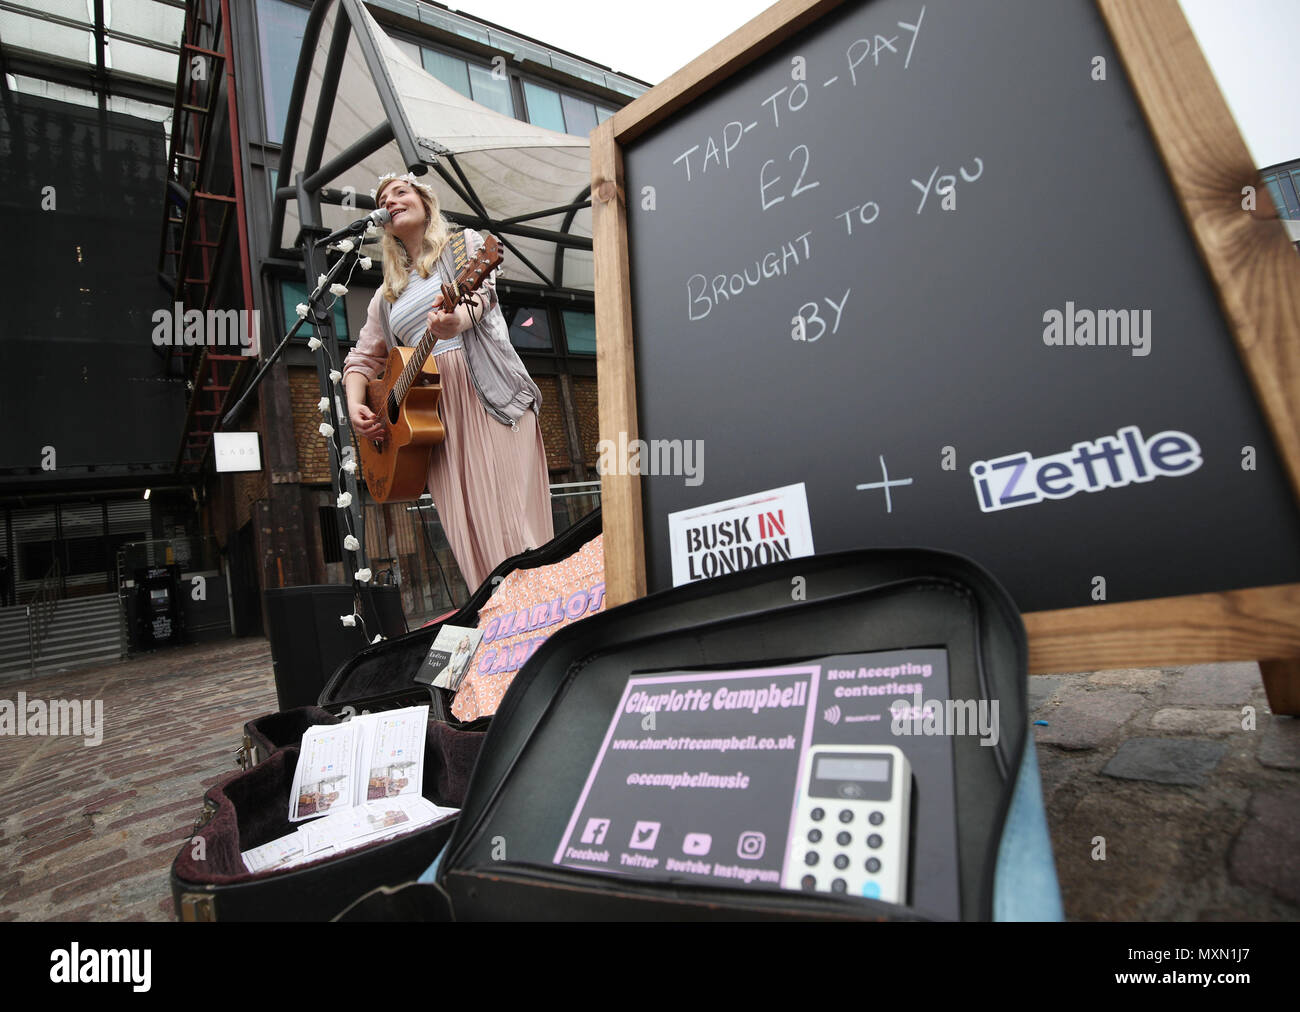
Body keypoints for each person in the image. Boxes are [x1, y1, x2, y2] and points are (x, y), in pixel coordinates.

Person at [343, 172, 554, 590]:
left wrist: (454, 321)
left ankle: (546, 612)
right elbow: (361, 361)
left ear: (425, 203)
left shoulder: (464, 246)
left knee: (511, 516)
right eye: (385, 198)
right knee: (467, 527)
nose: (392, 199)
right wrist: (354, 407)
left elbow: (482, 298)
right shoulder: (386, 295)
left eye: (401, 192)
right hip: (431, 421)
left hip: (485, 395)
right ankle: (498, 622)